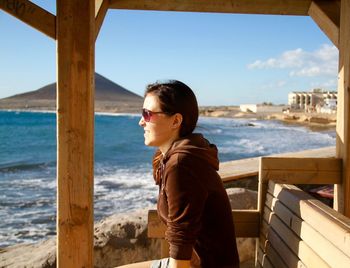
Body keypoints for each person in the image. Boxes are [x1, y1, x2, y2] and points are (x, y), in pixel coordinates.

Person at [118, 80, 240, 268]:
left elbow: (181, 239)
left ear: (176, 120)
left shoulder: (182, 164)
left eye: (147, 114)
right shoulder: (175, 156)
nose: (141, 121)